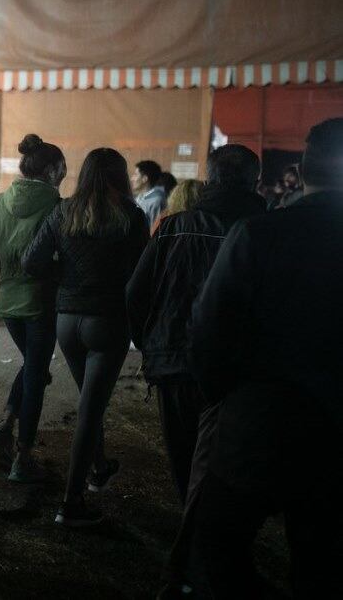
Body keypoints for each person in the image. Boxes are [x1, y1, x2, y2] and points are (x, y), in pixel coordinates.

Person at [184, 119, 343, 597]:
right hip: (333, 428)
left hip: (261, 419)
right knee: (322, 560)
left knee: (215, 547)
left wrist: (225, 399)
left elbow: (209, 330)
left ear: (299, 170)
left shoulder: (259, 234)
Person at [127, 146, 263, 505]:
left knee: (184, 461)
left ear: (208, 180)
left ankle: (192, 531)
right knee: (230, 465)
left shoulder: (173, 228)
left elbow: (134, 292)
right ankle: (211, 538)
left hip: (174, 360)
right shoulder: (264, 232)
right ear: (256, 183)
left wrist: (148, 342)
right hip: (240, 372)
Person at [23, 148, 149, 526]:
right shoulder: (132, 216)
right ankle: (71, 502)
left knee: (89, 404)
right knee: (90, 411)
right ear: (120, 176)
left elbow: (32, 262)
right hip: (107, 322)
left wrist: (65, 279)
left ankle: (99, 465)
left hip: (67, 320)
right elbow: (143, 273)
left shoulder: (64, 211)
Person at [0, 133, 66, 482]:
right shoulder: (57, 205)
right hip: (43, 302)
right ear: (54, 170)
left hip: (10, 303)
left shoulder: (0, 201)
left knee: (33, 367)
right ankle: (22, 455)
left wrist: (9, 275)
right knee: (36, 373)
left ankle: (6, 423)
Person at [132, 159, 167, 227]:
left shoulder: (156, 201)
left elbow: (156, 229)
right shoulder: (139, 197)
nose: (132, 178)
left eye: (135, 175)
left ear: (145, 178)